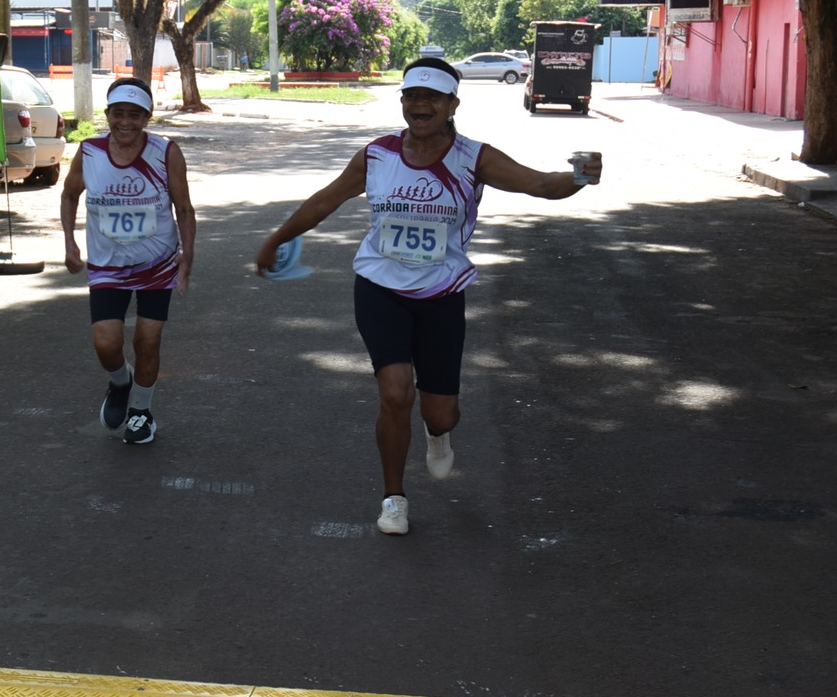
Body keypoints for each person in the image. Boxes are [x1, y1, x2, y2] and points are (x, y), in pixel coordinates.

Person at [254, 56, 601, 535]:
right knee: (395, 393)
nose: (420, 106)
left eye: (432, 98)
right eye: (412, 97)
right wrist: (277, 238)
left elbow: (541, 185)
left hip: (441, 295)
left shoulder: (473, 158)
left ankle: (438, 436)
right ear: (403, 103)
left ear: (451, 105)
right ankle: (393, 497)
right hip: (379, 288)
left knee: (441, 412)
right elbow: (323, 201)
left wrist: (581, 176)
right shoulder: (377, 154)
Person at [61, 77, 195, 445]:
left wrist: (187, 257)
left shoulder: (165, 152)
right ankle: (120, 382)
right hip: (107, 265)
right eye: (118, 114)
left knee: (147, 340)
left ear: (147, 117)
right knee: (106, 343)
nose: (125, 123)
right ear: (107, 115)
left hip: (158, 264)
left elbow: (183, 208)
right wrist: (70, 241)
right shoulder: (89, 151)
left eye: (134, 115)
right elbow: (70, 195)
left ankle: (141, 412)